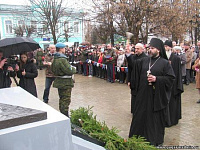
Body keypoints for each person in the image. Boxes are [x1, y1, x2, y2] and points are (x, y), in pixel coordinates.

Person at [126, 38, 175, 146]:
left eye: (152, 48)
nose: (150, 50)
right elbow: (133, 65)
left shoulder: (165, 63)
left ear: (158, 50)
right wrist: (129, 54)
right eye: (149, 48)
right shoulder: (144, 60)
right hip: (142, 95)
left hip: (156, 97)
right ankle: (137, 137)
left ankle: (154, 140)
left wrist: (157, 79)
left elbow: (171, 78)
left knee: (154, 119)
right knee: (139, 116)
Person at [51, 42, 76, 117]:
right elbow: (69, 71)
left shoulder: (55, 59)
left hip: (59, 81)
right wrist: (73, 69)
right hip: (65, 83)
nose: (65, 49)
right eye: (64, 48)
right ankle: (65, 116)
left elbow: (52, 69)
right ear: (61, 49)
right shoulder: (62, 59)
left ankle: (62, 114)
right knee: (65, 100)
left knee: (61, 99)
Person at [164, 40, 183, 127]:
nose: (165, 48)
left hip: (173, 85)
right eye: (164, 47)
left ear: (170, 47)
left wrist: (178, 85)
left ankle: (172, 119)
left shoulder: (176, 59)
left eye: (167, 46)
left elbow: (178, 73)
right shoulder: (163, 57)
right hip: (164, 84)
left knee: (172, 103)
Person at [127, 43, 147, 114]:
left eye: (138, 49)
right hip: (133, 80)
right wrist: (129, 80)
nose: (136, 50)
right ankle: (134, 110)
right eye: (135, 48)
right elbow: (130, 68)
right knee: (134, 96)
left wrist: (129, 55)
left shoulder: (145, 58)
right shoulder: (133, 57)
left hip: (141, 80)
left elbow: (134, 64)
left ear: (142, 49)